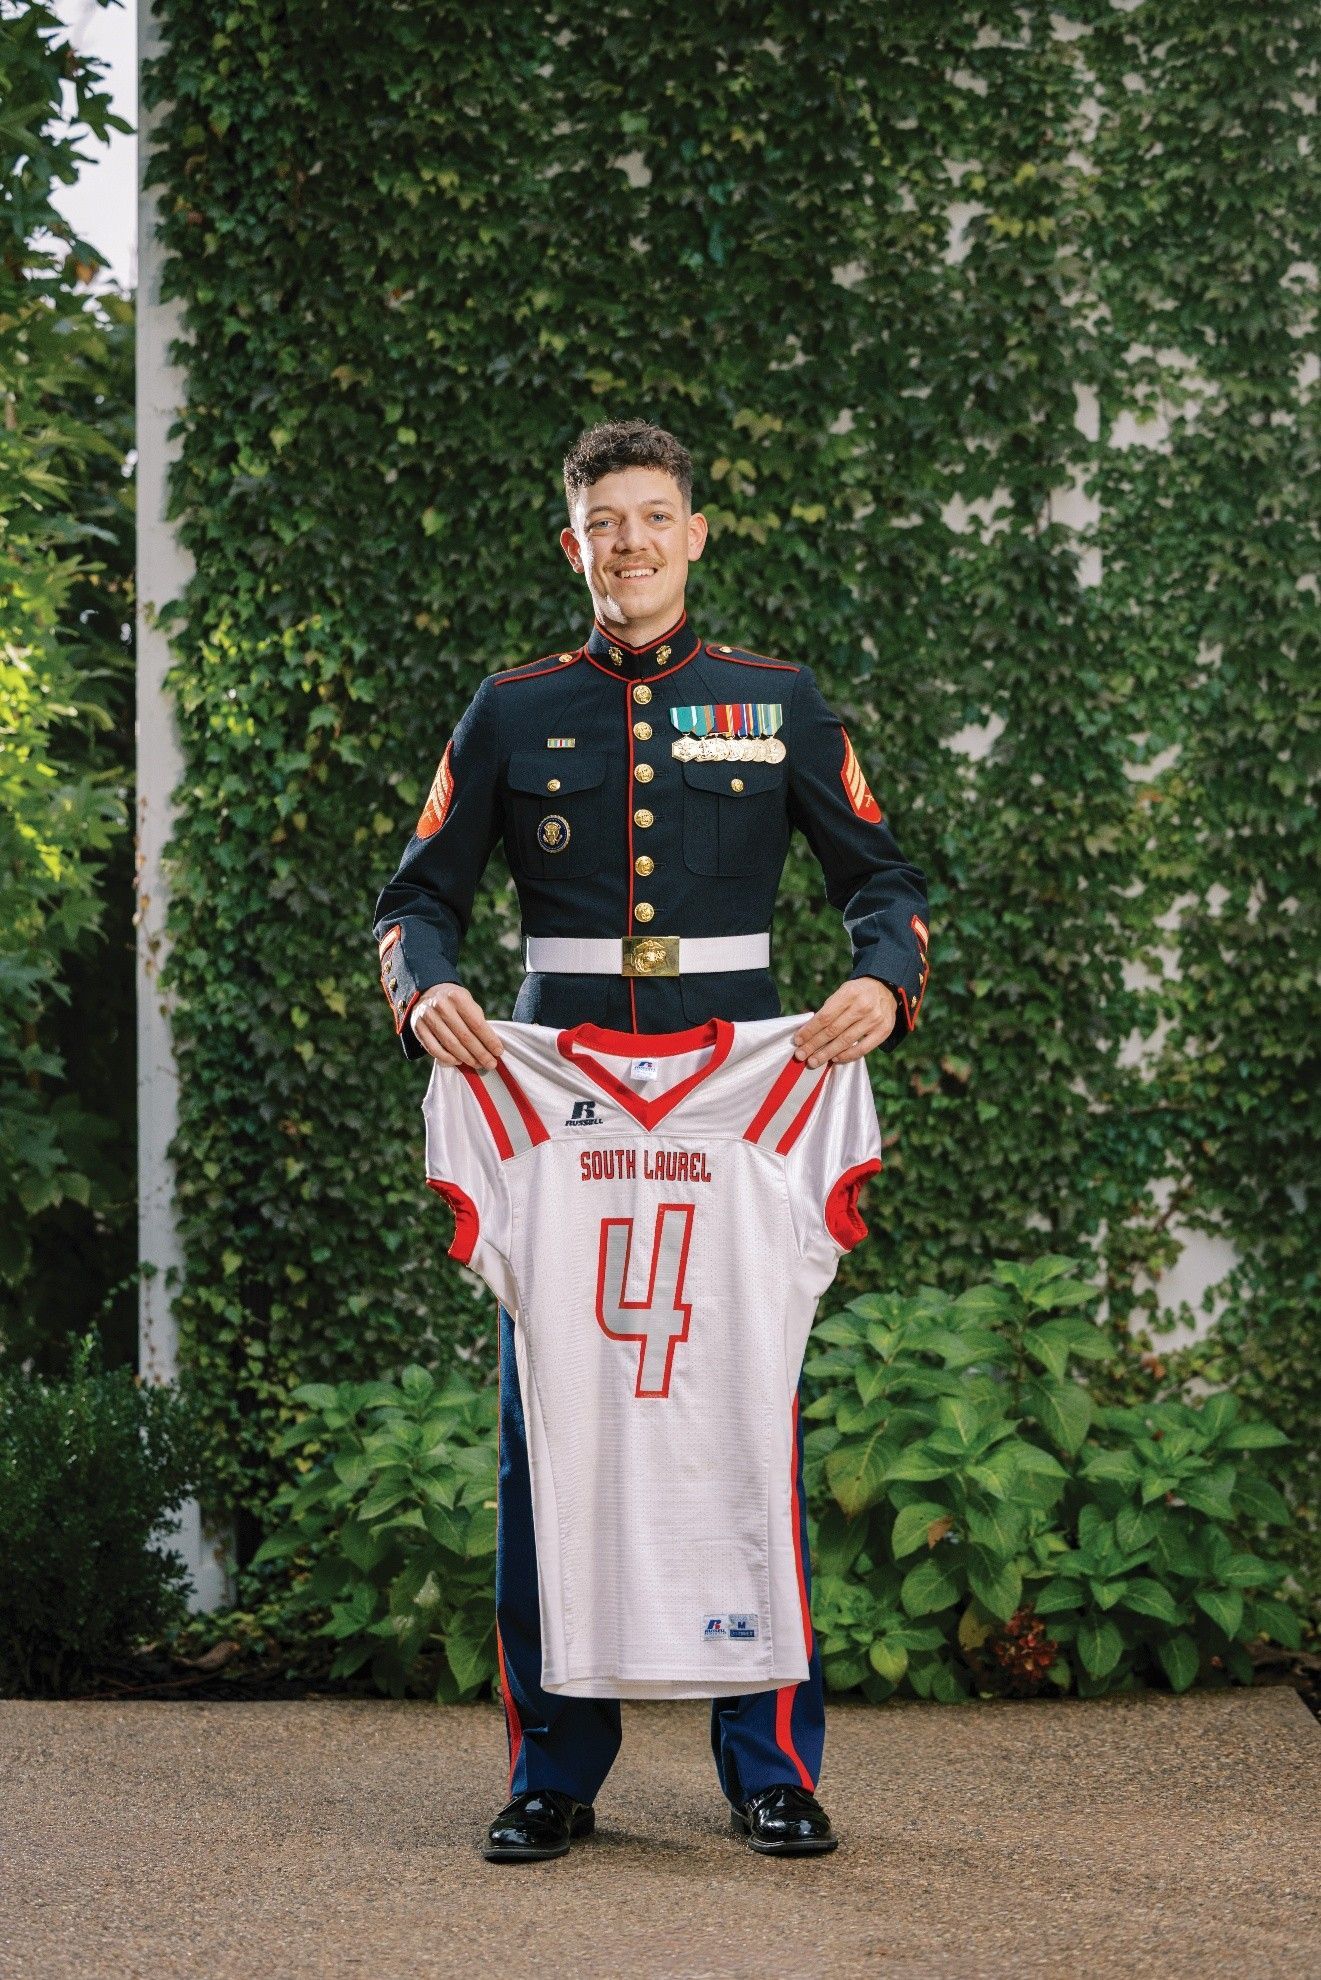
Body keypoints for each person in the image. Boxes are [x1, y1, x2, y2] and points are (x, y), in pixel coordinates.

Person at [373, 418, 930, 1862]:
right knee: (541, 1435)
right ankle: (554, 1769)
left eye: (651, 516)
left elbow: (883, 880)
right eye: (600, 522)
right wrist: (424, 985)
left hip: (740, 1085)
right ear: (574, 547)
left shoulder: (778, 701)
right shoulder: (507, 710)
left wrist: (881, 978)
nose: (626, 543)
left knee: (748, 1425)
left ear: (694, 534)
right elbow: (414, 898)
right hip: (551, 1099)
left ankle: (769, 1768)